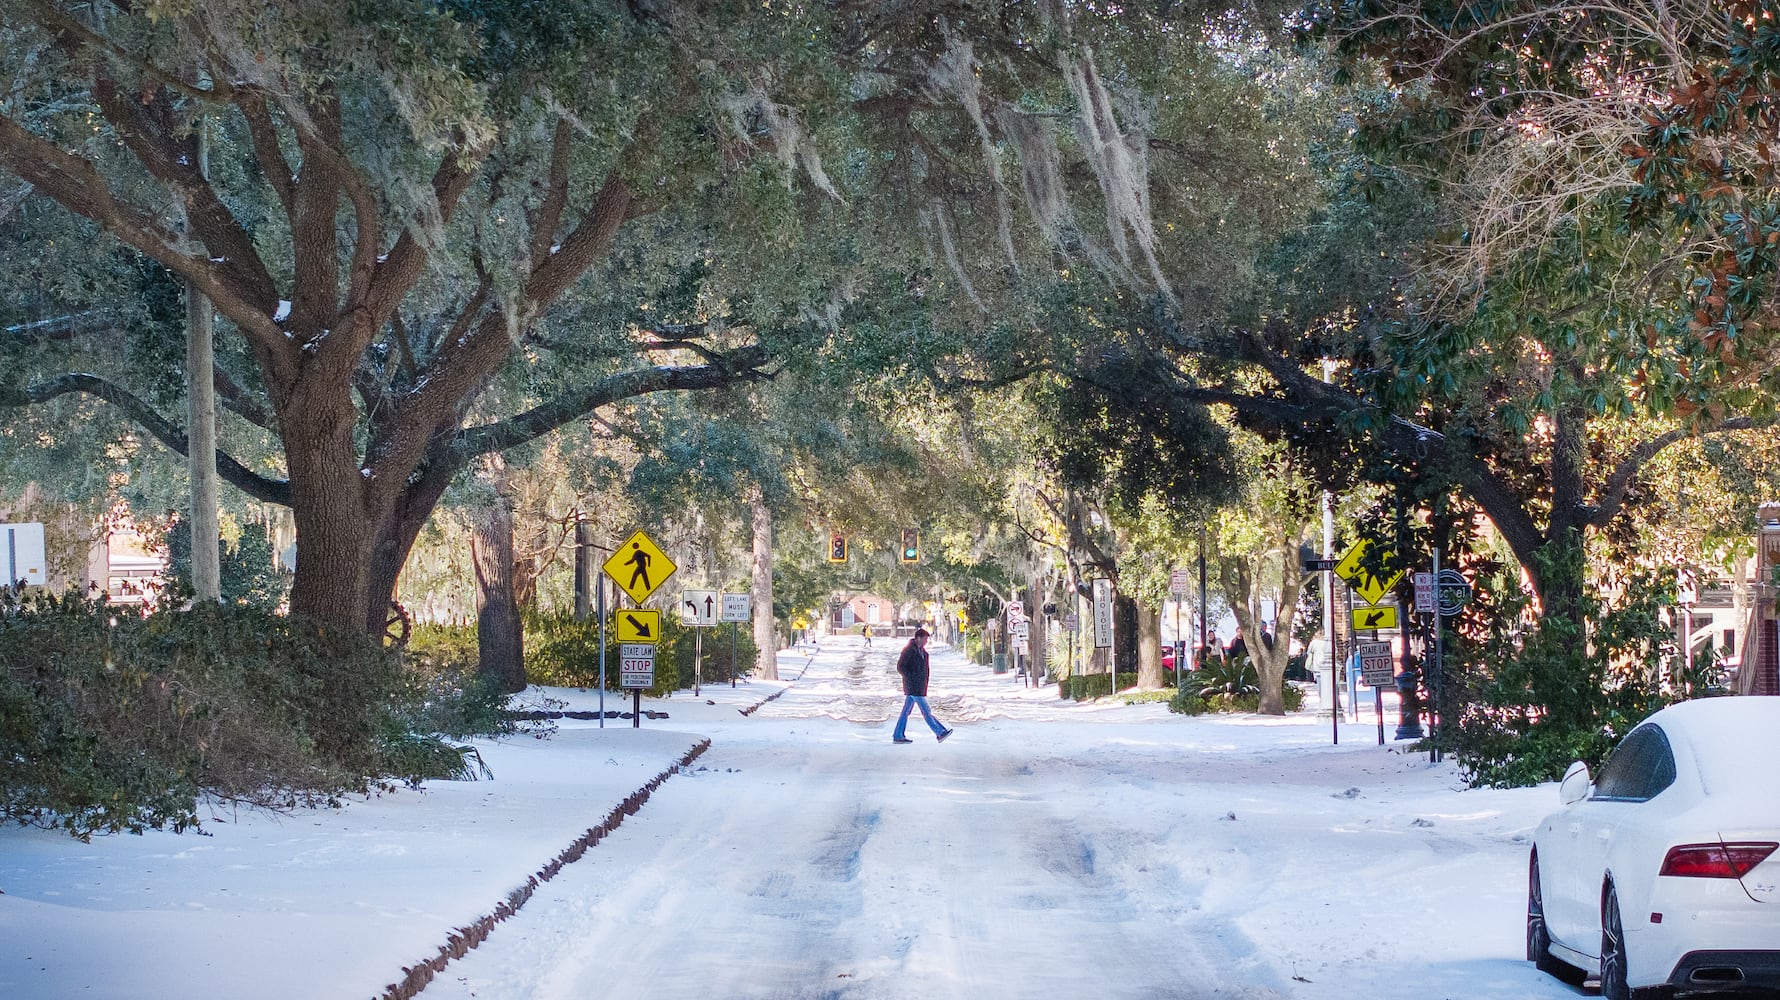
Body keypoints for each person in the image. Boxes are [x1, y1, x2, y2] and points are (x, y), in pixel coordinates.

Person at [892, 628, 952, 744]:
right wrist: (911, 677)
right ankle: (940, 732)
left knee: (905, 712)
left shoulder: (923, 653)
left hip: (919, 686)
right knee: (926, 711)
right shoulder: (908, 651)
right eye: (925, 639)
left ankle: (898, 735)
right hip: (913, 686)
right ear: (918, 638)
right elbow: (900, 667)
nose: (926, 642)